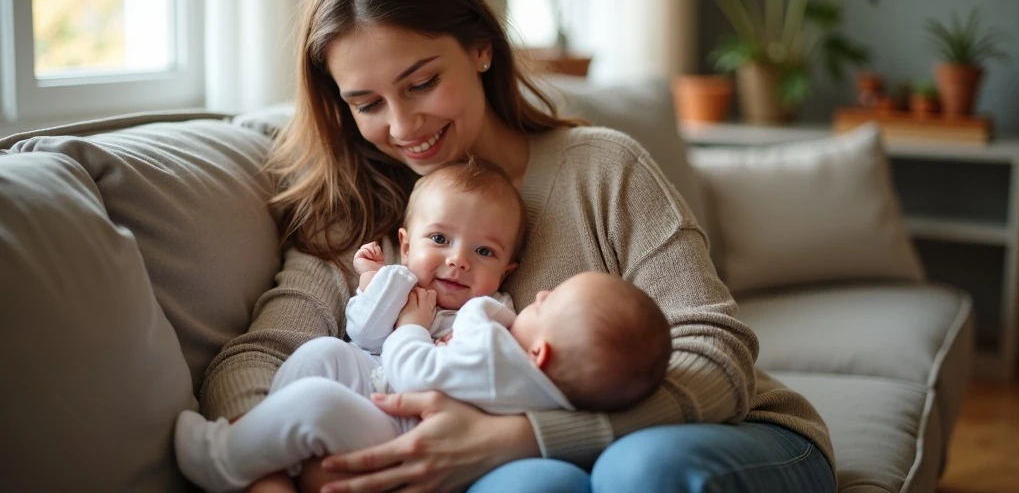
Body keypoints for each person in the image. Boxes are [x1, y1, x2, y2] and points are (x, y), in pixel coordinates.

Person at [199, 0, 837, 493]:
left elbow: (717, 352)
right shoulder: (353, 216)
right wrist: (269, 475)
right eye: (367, 103)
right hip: (515, 473)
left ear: (481, 48)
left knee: (637, 471)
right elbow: (255, 359)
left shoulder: (602, 168)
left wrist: (521, 435)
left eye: (422, 83)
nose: (402, 125)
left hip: (724, 435)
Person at [176, 160, 671, 492]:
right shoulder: (497, 323)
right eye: (440, 239)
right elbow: (364, 337)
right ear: (406, 244)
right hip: (380, 390)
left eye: (484, 252)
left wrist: (411, 326)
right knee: (321, 354)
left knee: (317, 403)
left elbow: (414, 371)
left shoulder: (501, 353)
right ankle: (268, 444)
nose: (458, 262)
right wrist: (380, 283)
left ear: (506, 271)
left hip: (402, 430)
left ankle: (220, 459)